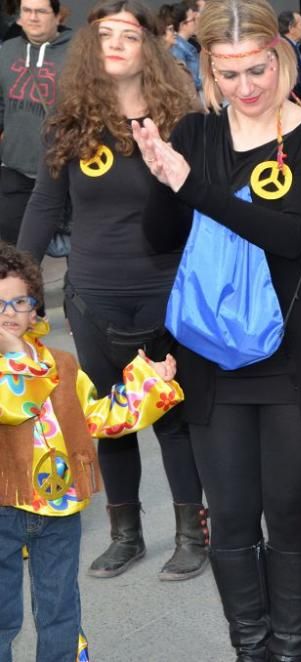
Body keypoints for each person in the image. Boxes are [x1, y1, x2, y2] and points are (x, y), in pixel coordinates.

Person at [132, 0, 301, 657]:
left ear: (281, 57)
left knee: (288, 520)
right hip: (210, 359)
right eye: (228, 75)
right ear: (207, 69)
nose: (245, 88)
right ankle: (251, 649)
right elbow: (160, 238)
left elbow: (293, 235)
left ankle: (293, 650)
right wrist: (162, 180)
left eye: (257, 69)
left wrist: (193, 186)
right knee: (229, 521)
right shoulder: (195, 135)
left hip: (296, 360)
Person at [17, 0, 205, 583]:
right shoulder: (68, 123)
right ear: (91, 51)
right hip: (92, 296)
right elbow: (46, 205)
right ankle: (126, 535)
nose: (117, 43)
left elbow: (206, 208)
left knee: (172, 420)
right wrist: (16, 286)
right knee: (109, 418)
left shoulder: (184, 122)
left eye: (130, 34)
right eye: (105, 35)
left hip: (166, 296)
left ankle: (191, 533)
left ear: (148, 48)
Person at [0, 243, 184, 662]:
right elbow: (14, 404)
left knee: (60, 608)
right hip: (3, 507)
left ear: (36, 309)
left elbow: (97, 417)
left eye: (20, 301)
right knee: (1, 616)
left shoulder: (62, 364)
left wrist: (148, 386)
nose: (9, 312)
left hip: (60, 509)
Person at [0, 0, 72, 244]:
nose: (33, 17)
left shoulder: (77, 52)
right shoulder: (7, 50)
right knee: (12, 254)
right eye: (27, 11)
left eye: (41, 11)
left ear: (57, 16)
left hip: (63, 169)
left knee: (75, 249)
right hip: (15, 168)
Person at [167, 1, 200, 91]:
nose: (196, 22)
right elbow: (188, 84)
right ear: (182, 25)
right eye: (193, 20)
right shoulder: (177, 50)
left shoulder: (188, 43)